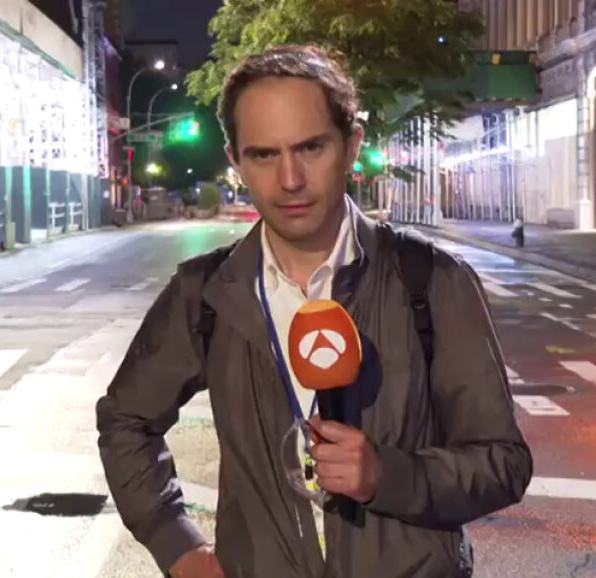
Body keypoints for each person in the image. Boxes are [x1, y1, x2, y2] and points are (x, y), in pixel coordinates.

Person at [96, 44, 533, 578]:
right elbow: (125, 421)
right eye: (263, 155)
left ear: (352, 145)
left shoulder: (431, 281)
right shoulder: (204, 294)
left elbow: (503, 463)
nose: (290, 179)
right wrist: (177, 547)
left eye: (311, 147)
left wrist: (387, 476)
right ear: (235, 160)